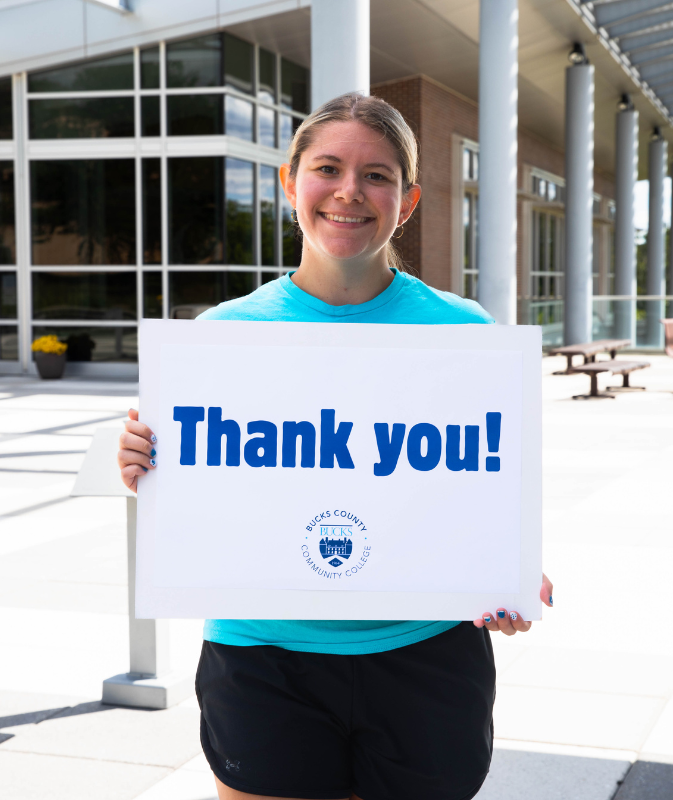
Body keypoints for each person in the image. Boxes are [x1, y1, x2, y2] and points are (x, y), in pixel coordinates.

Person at [117, 92, 553, 800]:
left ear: (406, 202)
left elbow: (485, 485)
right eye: (328, 168)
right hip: (263, 655)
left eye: (377, 175)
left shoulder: (467, 336)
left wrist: (505, 570)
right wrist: (149, 462)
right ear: (290, 183)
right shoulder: (219, 336)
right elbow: (203, 483)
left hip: (425, 653)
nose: (350, 192)